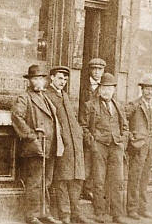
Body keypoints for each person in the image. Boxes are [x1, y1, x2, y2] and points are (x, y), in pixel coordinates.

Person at [11, 64, 64, 224]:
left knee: (46, 181)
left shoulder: (46, 98)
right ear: (30, 81)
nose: (39, 81)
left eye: (41, 78)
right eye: (35, 78)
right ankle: (32, 215)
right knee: (34, 181)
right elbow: (16, 117)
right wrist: (31, 137)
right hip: (35, 146)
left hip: (50, 146)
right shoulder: (24, 97)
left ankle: (44, 212)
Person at [79, 73, 129, 224]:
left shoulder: (118, 106)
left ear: (114, 89)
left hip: (116, 147)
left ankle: (117, 214)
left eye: (110, 88)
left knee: (117, 180)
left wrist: (122, 141)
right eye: (104, 88)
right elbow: (83, 127)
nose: (107, 91)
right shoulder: (90, 105)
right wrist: (92, 143)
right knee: (99, 180)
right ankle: (99, 212)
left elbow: (126, 127)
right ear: (99, 89)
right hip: (99, 146)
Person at [44, 66, 89, 224]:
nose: (62, 82)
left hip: (75, 144)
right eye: (60, 78)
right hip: (61, 143)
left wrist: (79, 135)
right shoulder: (47, 95)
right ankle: (65, 215)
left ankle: (75, 212)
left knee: (76, 179)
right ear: (52, 78)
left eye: (65, 79)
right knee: (62, 180)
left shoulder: (65, 96)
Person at [125, 73, 152, 220]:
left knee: (145, 178)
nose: (150, 92)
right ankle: (132, 209)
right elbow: (123, 122)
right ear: (142, 90)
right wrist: (131, 137)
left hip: (150, 147)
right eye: (147, 89)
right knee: (135, 178)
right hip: (138, 147)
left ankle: (142, 208)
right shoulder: (134, 105)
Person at [79, 57, 106, 201]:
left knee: (97, 163)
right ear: (90, 70)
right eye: (94, 69)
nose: (96, 72)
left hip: (100, 132)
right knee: (86, 161)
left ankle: (90, 188)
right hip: (86, 130)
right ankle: (83, 189)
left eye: (99, 70)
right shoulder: (82, 87)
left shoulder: (105, 87)